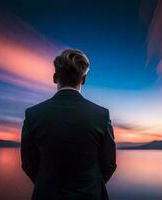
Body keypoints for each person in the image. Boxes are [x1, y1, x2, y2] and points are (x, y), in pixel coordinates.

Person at [21, 49, 116, 200]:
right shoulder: (101, 115)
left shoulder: (33, 114)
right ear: (83, 79)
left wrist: (47, 185)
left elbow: (28, 163)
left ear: (54, 77)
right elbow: (109, 164)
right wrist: (90, 186)